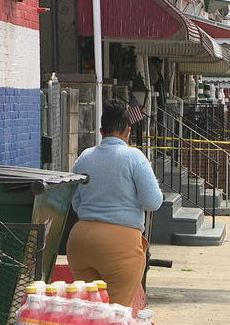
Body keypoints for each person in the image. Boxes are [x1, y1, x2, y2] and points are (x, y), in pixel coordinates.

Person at [67, 99, 163, 306]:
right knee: (116, 312)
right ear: (128, 130)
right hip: (120, 242)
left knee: (87, 310)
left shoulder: (84, 157)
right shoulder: (133, 157)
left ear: (101, 131)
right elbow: (152, 201)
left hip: (80, 239)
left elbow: (75, 201)